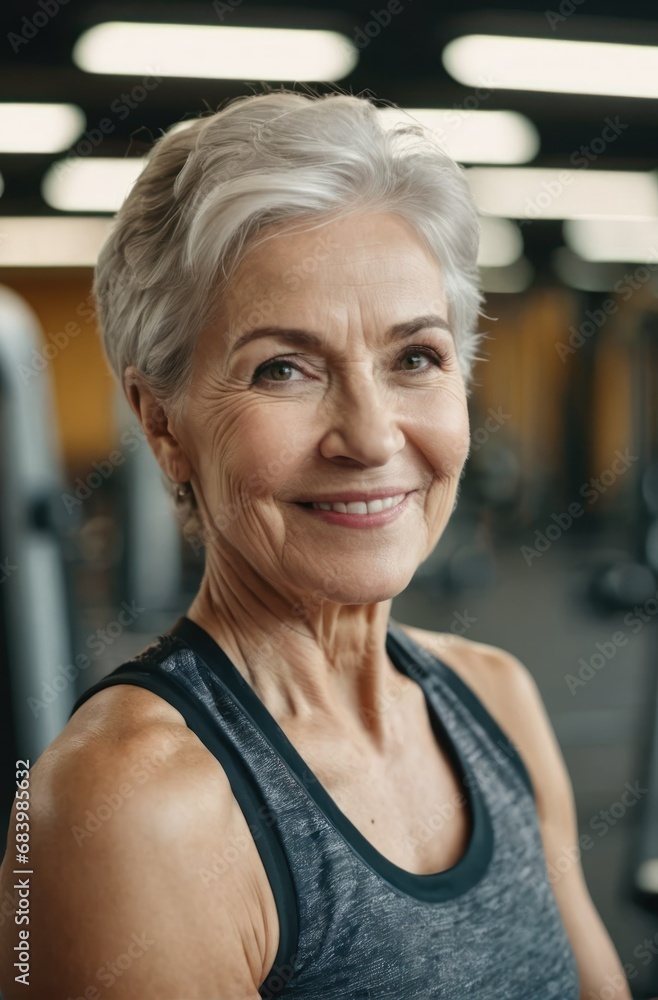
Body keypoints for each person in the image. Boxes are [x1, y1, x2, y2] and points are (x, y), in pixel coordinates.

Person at [0, 89, 631, 999]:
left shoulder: (498, 697)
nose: (370, 437)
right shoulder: (130, 805)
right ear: (163, 423)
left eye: (415, 357)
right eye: (283, 369)